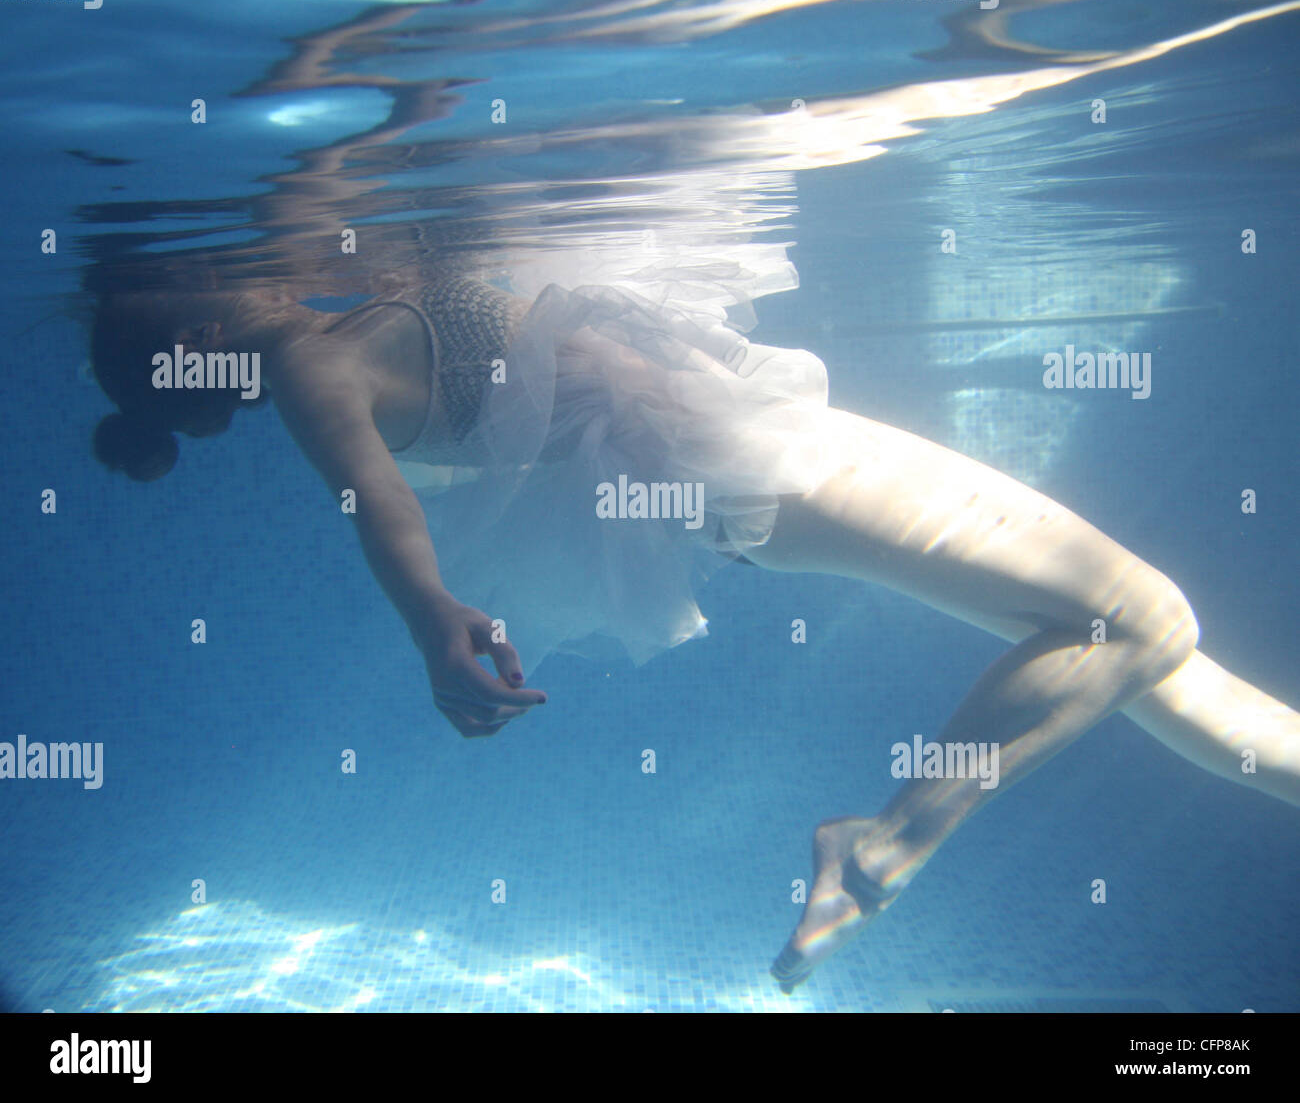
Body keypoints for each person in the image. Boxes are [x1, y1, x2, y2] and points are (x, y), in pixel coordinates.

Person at [87, 254, 1300, 991]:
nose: (245, 263)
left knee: (1144, 651)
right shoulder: (311, 368)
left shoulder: (341, 325)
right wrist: (432, 619)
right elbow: (379, 496)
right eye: (206, 278)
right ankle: (877, 846)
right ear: (195, 336)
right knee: (1139, 612)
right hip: (753, 467)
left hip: (749, 456)